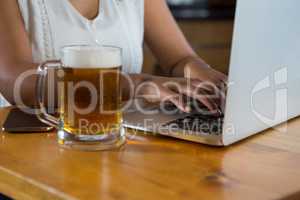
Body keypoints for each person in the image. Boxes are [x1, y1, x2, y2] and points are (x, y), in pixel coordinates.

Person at [0, 0, 227, 112]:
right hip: (30, 159)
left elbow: (179, 59)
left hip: (118, 147)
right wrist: (134, 83)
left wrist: (202, 72)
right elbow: (19, 83)